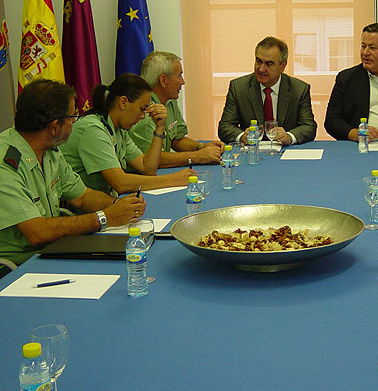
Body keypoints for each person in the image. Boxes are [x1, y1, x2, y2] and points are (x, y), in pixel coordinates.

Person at [0, 79, 145, 267]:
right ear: (55, 126)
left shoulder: (49, 150)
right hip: (17, 268)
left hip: (52, 250)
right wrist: (105, 217)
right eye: (72, 117)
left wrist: (119, 206)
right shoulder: (5, 163)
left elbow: (82, 196)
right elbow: (37, 232)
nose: (75, 122)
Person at [61, 74, 194, 196]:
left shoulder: (119, 130)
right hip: (82, 208)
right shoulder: (92, 129)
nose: (143, 116)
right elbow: (121, 183)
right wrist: (173, 179)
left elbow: (147, 167)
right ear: (123, 102)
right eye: (142, 109)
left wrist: (159, 128)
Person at [128, 51, 224, 167]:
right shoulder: (145, 112)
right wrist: (197, 156)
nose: (183, 82)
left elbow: (176, 140)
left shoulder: (169, 100)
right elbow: (152, 160)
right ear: (163, 80)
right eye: (179, 75)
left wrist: (200, 146)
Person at [217, 36, 317, 145]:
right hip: (252, 151)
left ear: (282, 66)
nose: (261, 68)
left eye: (269, 64)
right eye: (258, 61)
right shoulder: (238, 88)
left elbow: (309, 127)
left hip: (285, 151)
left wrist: (289, 136)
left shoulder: (299, 89)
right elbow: (225, 127)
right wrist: (241, 137)